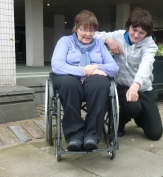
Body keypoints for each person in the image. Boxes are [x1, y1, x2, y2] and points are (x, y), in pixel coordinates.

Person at [51, 10, 119, 152]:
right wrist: (84, 70)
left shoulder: (99, 45)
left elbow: (114, 67)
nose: (89, 34)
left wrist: (96, 66)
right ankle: (74, 136)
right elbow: (57, 65)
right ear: (76, 27)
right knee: (68, 85)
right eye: (84, 29)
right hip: (69, 77)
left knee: (100, 84)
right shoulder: (65, 41)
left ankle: (92, 136)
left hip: (93, 80)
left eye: (92, 30)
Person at [94, 7, 163, 141]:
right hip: (122, 85)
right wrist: (109, 40)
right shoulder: (118, 35)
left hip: (142, 88)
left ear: (147, 33)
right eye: (134, 29)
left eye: (141, 33)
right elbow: (95, 34)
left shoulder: (150, 45)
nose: (136, 35)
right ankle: (118, 125)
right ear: (128, 26)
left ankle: (139, 116)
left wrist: (136, 86)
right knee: (133, 106)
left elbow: (146, 65)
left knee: (155, 134)